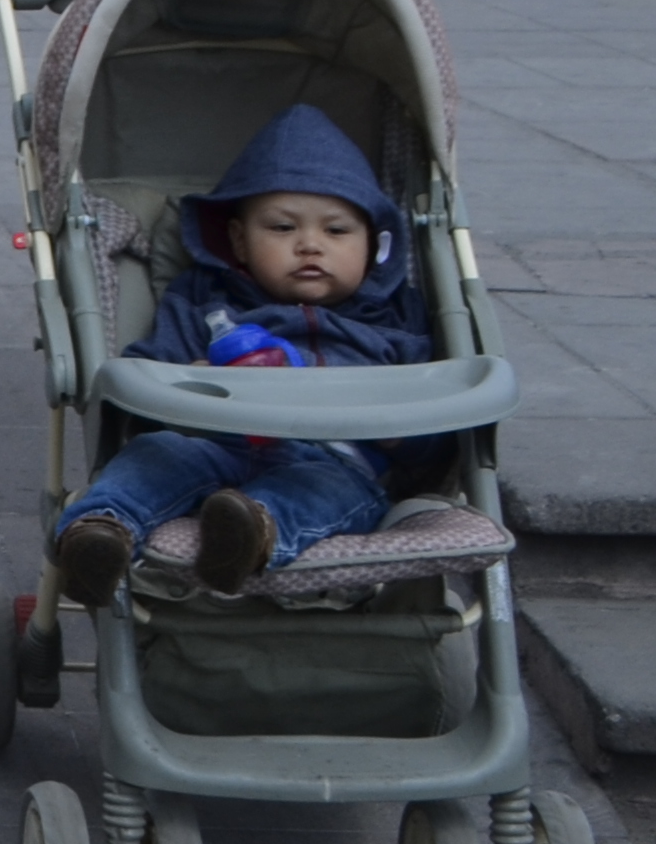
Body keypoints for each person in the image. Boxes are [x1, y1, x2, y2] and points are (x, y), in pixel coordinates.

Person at [49, 106, 430, 599]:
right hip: (215, 441)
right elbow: (142, 379)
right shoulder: (207, 301)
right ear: (238, 240)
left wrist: (404, 433)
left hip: (332, 457)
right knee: (156, 454)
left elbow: (436, 408)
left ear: (374, 244)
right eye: (282, 228)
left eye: (336, 231)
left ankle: (250, 535)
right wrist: (191, 379)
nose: (310, 245)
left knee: (325, 493)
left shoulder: (391, 319)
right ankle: (99, 533)